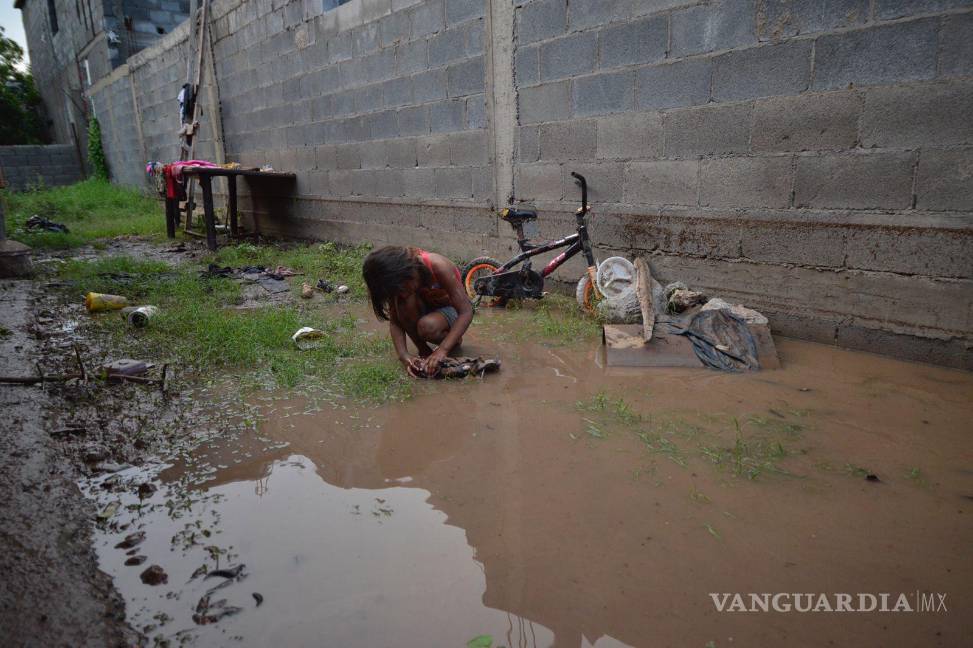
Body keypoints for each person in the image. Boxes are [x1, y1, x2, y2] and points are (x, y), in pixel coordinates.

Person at [362, 246, 473, 377]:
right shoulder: (397, 283)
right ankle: (424, 351)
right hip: (427, 308)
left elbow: (466, 311)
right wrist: (404, 356)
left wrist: (442, 350)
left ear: (409, 271)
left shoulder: (438, 266)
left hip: (451, 310)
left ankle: (453, 341)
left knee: (427, 326)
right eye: (398, 291)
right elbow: (395, 322)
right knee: (403, 305)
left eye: (403, 287)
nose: (402, 293)